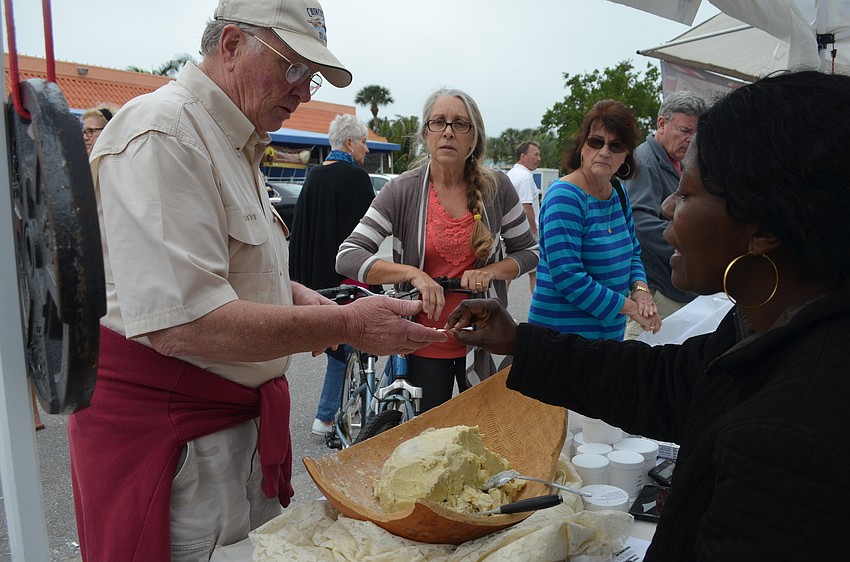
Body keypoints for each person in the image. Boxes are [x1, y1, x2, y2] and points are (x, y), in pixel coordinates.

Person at [69, 2, 445, 561]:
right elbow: (185, 322)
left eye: (309, 74)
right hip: (178, 444)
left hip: (219, 433)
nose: (304, 91)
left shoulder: (230, 137)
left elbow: (233, 274)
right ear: (230, 45)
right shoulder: (165, 133)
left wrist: (303, 300)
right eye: (291, 66)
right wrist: (343, 323)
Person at [446, 70, 850, 561]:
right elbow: (664, 381)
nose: (664, 206)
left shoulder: (789, 438)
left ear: (761, 229)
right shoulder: (763, 324)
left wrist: (635, 291)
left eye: (687, 194)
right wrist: (519, 340)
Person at [337, 88, 538, 412]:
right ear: (425, 134)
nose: (448, 131)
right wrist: (414, 274)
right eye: (438, 122)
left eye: (460, 123)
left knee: (490, 437)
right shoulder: (401, 190)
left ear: (474, 137)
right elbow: (347, 256)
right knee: (429, 446)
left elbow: (529, 252)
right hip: (423, 343)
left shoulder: (497, 188)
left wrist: (490, 272)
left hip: (486, 341)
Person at [529, 99, 659, 340]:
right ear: (582, 146)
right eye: (596, 142)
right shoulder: (564, 196)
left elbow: (633, 253)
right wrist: (632, 308)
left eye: (616, 145)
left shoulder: (618, 192)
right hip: (560, 341)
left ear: (626, 155)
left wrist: (640, 291)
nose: (604, 152)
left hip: (607, 338)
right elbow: (568, 277)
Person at [287, 113, 376, 436]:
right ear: (349, 143)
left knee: (340, 347)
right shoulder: (356, 180)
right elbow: (367, 237)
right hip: (346, 281)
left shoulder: (313, 176)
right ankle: (327, 417)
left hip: (315, 282)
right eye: (363, 141)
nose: (366, 149)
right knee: (350, 347)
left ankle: (331, 415)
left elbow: (301, 234)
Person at [623, 91, 707, 339]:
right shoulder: (645, 162)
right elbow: (640, 222)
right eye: (684, 131)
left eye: (695, 133)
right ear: (661, 124)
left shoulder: (675, 162)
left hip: (673, 288)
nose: (690, 140)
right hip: (657, 291)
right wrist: (689, 248)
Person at [506, 140, 542, 291]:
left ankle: (497, 309)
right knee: (536, 273)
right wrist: (534, 234)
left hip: (507, 232)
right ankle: (539, 311)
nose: (539, 159)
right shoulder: (526, 177)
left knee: (506, 274)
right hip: (526, 234)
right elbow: (527, 207)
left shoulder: (510, 174)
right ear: (523, 156)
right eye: (535, 155)